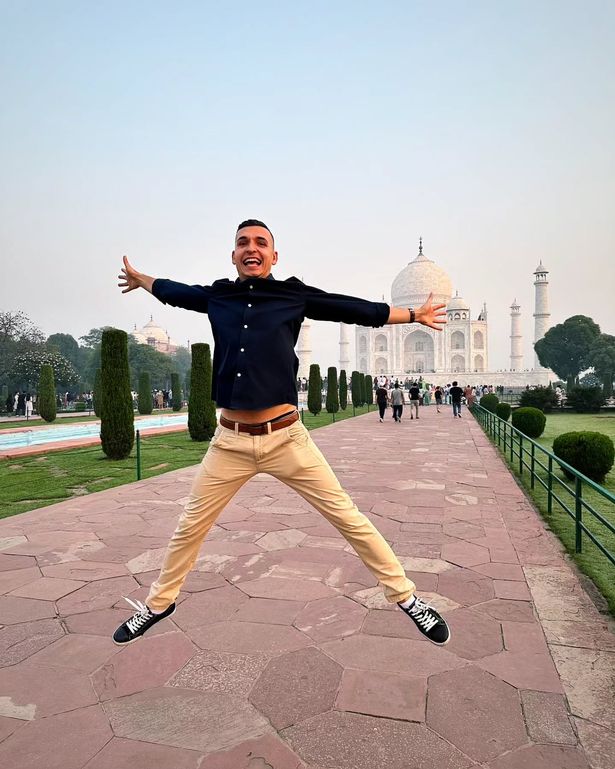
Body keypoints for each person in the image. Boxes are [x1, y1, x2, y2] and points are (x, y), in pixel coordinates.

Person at [111, 220, 450, 648]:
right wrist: (144, 281)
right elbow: (180, 293)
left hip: (286, 438)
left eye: (260, 243)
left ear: (274, 256)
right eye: (242, 243)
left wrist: (411, 315)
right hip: (230, 443)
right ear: (233, 255)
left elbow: (347, 307)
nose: (251, 249)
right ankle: (160, 604)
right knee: (188, 527)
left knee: (349, 519)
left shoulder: (292, 294)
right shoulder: (219, 296)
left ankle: (406, 597)